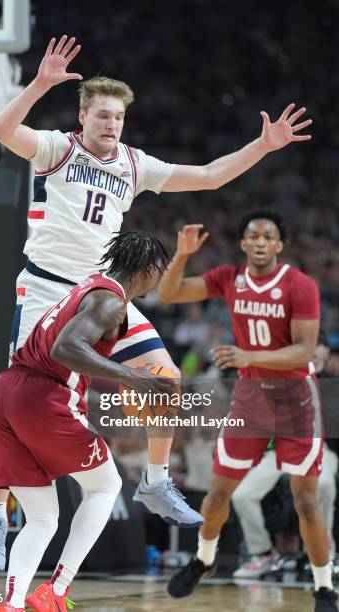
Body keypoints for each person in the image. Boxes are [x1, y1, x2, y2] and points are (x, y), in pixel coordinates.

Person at [0, 32, 313, 570]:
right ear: (84, 116)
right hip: (44, 287)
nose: (112, 125)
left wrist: (263, 147)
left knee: (169, 378)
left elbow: (208, 177)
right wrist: (40, 82)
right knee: (16, 396)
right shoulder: (55, 148)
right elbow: (0, 129)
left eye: (119, 118)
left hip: (100, 292)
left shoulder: (134, 165)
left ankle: (156, 482)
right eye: (104, 115)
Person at [0, 231, 179, 612]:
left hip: (4, 394)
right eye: (158, 273)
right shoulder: (110, 302)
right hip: (42, 397)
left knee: (42, 517)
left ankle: (9, 605)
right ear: (147, 270)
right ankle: (55, 592)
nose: (156, 281)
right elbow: (67, 349)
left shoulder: (91, 285)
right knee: (106, 486)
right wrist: (135, 378)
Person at [160, 212, 338, 611]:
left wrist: (247, 355)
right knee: (220, 490)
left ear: (279, 245)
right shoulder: (228, 278)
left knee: (305, 500)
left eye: (268, 236)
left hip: (295, 399)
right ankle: (203, 561)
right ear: (243, 244)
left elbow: (305, 350)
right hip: (251, 398)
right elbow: (170, 294)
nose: (260, 241)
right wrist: (182, 255)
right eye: (253, 235)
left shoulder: (300, 285)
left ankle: (323, 586)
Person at [232, 331, 338, 579]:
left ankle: (324, 547)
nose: (314, 350)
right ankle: (262, 553)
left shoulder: (332, 381)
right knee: (242, 495)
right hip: (279, 452)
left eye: (319, 345)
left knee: (323, 483)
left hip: (321, 450)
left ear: (326, 352)